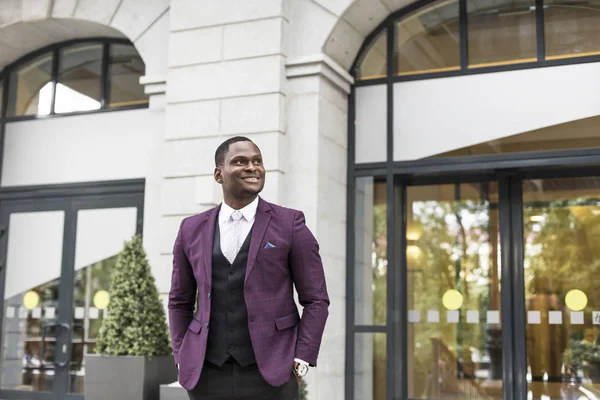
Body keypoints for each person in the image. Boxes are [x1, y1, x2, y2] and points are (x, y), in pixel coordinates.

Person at [168, 136, 330, 399]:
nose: (252, 167)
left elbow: (316, 299)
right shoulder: (191, 228)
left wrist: (302, 357)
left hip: (272, 371)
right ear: (219, 174)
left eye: (257, 161)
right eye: (240, 161)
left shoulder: (290, 223)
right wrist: (181, 354)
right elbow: (179, 301)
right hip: (207, 374)